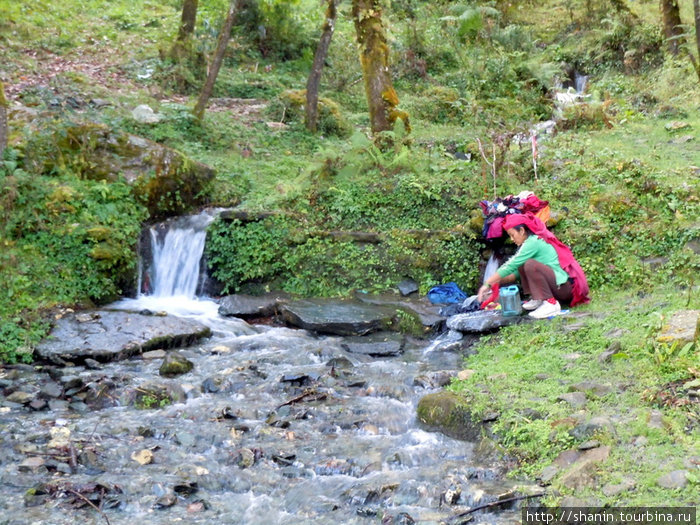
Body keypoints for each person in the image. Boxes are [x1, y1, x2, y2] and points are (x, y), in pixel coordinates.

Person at [477, 212, 589, 319]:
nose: (512, 239)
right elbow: (517, 273)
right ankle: (538, 299)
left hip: (565, 288)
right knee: (524, 264)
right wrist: (497, 282)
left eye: (512, 235)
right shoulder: (529, 243)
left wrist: (487, 283)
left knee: (530, 264)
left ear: (521, 230)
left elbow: (511, 265)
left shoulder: (533, 242)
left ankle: (551, 304)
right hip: (558, 288)